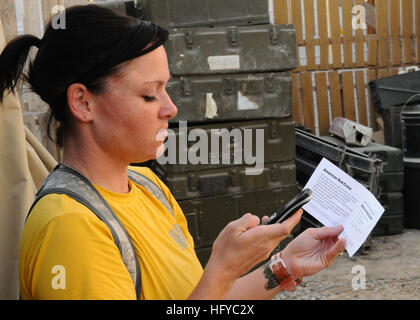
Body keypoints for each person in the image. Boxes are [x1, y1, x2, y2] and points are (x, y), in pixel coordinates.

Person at [0, 5, 346, 300]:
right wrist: (224, 267)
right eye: (150, 95)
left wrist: (284, 265)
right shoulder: (72, 229)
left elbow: (196, 297)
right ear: (83, 102)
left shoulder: (148, 185)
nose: (170, 108)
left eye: (166, 89)